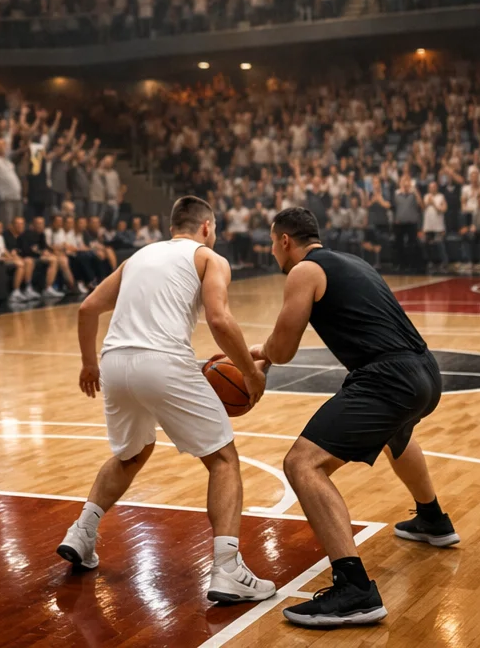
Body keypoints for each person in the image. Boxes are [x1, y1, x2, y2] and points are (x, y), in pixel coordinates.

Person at [57, 195, 275, 605]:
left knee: (131, 454)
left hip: (115, 361)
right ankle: (227, 568)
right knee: (223, 459)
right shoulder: (210, 259)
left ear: (172, 226)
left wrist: (89, 366)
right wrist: (248, 371)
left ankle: (82, 533)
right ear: (207, 227)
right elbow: (219, 319)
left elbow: (88, 308)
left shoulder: (138, 257)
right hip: (162, 360)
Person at [256, 206, 454, 629]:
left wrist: (264, 358)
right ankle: (433, 519)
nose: (272, 251)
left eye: (273, 243)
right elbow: (278, 344)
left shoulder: (303, 272)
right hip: (424, 371)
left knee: (302, 463)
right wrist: (263, 351)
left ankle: (354, 589)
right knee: (395, 435)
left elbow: (284, 350)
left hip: (387, 378)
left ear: (285, 241)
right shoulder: (352, 261)